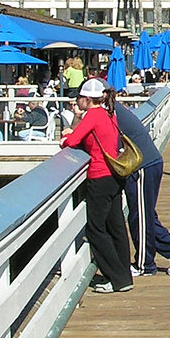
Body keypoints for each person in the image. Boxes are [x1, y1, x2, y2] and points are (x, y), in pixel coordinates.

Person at [60, 78, 132, 293]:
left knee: (95, 230)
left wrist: (65, 139)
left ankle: (116, 278)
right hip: (114, 175)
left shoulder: (92, 115)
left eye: (79, 98)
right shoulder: (109, 114)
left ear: (86, 99)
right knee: (116, 226)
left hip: (99, 176)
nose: (76, 102)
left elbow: (73, 141)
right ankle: (124, 276)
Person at [114, 90, 170, 277]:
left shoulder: (107, 113)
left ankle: (145, 264)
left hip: (142, 166)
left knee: (139, 218)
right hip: (148, 163)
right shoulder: (114, 110)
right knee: (144, 216)